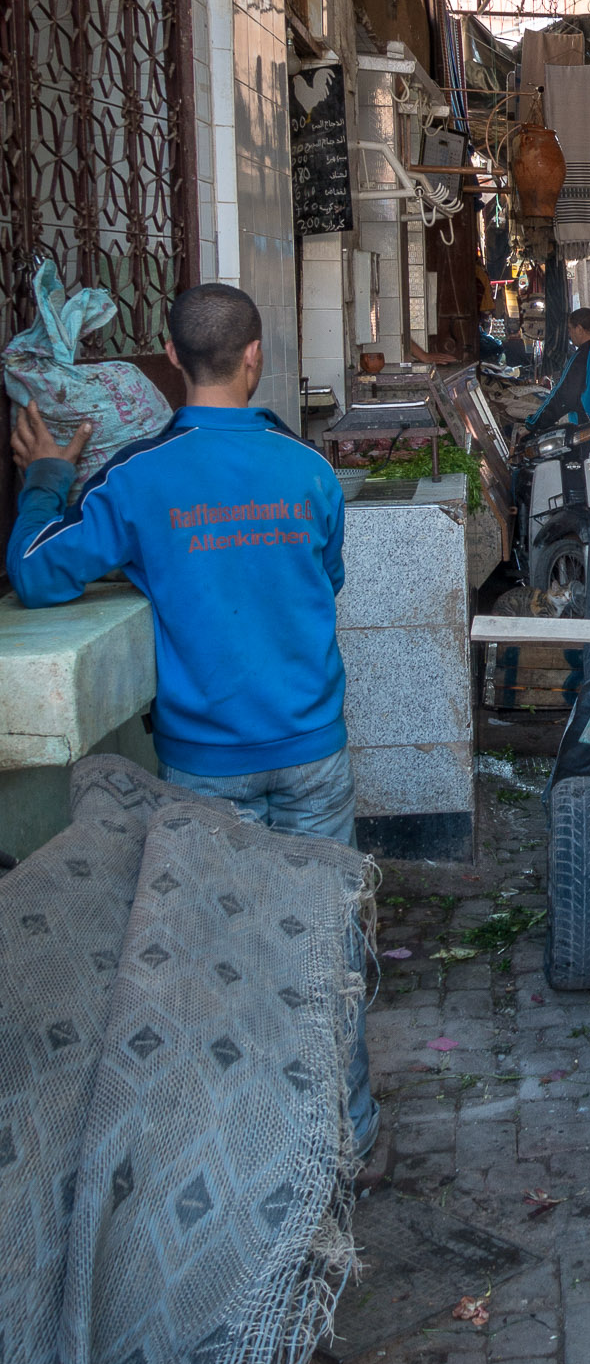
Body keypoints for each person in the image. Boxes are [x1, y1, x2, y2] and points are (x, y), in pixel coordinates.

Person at [5, 282, 379, 1157]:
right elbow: (324, 581)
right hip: (314, 751)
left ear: (172, 361)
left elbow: (36, 572)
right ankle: (351, 1137)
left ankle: (248, 1147)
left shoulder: (138, 479)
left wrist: (46, 477)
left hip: (206, 766)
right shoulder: (311, 471)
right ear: (256, 358)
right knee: (328, 939)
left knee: (225, 950)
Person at [524, 308, 590, 439]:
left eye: (570, 329)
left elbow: (563, 397)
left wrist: (533, 424)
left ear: (579, 329)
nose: (569, 334)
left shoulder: (583, 356)